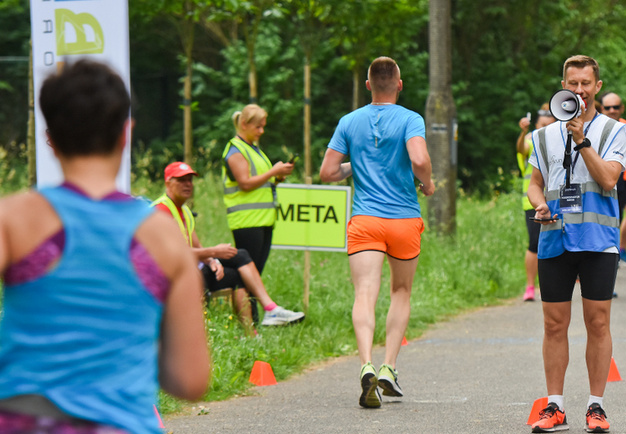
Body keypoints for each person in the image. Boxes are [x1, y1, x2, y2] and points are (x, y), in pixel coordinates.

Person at [0, 60, 209, 434]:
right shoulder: (161, 237)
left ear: (49, 137)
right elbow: (190, 379)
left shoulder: (15, 218)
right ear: (126, 131)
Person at [319, 56, 435, 409]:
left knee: (365, 293)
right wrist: (427, 183)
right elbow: (418, 159)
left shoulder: (349, 121)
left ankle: (365, 363)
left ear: (369, 85)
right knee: (401, 291)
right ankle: (389, 368)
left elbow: (327, 171)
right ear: (399, 85)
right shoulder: (411, 119)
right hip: (402, 220)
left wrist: (357, 166)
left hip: (365, 220)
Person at [526, 55, 626, 434]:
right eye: (572, 83)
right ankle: (554, 405)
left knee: (598, 322)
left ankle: (596, 406)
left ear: (597, 87)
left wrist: (581, 139)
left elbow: (607, 179)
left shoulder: (615, 131)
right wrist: (539, 204)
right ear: (563, 83)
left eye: (585, 83)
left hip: (598, 240)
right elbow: (535, 181)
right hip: (555, 236)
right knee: (554, 324)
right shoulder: (541, 135)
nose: (579, 91)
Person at [153, 161, 305, 333]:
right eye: (181, 180)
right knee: (234, 257)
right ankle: (269, 310)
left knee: (236, 270)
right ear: (168, 182)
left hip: (190, 269)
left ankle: (252, 334)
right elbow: (174, 253)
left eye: (190, 180)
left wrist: (212, 261)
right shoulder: (161, 210)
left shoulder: (185, 211)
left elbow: (196, 246)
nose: (188, 185)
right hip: (173, 278)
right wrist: (214, 252)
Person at [221, 104, 295, 319]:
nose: (262, 131)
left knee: (255, 275)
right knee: (246, 275)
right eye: (258, 127)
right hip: (246, 221)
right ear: (244, 124)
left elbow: (260, 182)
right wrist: (274, 170)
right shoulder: (235, 149)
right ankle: (249, 324)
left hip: (263, 220)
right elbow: (245, 183)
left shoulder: (253, 148)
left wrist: (277, 177)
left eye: (263, 126)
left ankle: (254, 322)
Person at [516, 104, 556, 301]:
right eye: (541, 125)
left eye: (549, 125)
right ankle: (530, 286)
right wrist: (523, 132)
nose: (545, 128)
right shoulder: (532, 140)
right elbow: (521, 149)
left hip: (556, 201)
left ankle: (553, 284)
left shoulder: (559, 139)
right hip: (531, 202)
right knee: (534, 243)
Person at [601, 92, 626, 266]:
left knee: (620, 220)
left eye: (615, 107)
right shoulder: (594, 128)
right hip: (599, 184)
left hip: (621, 184)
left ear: (622, 108)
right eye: (607, 107)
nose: (612, 110)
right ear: (601, 108)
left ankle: (618, 252)